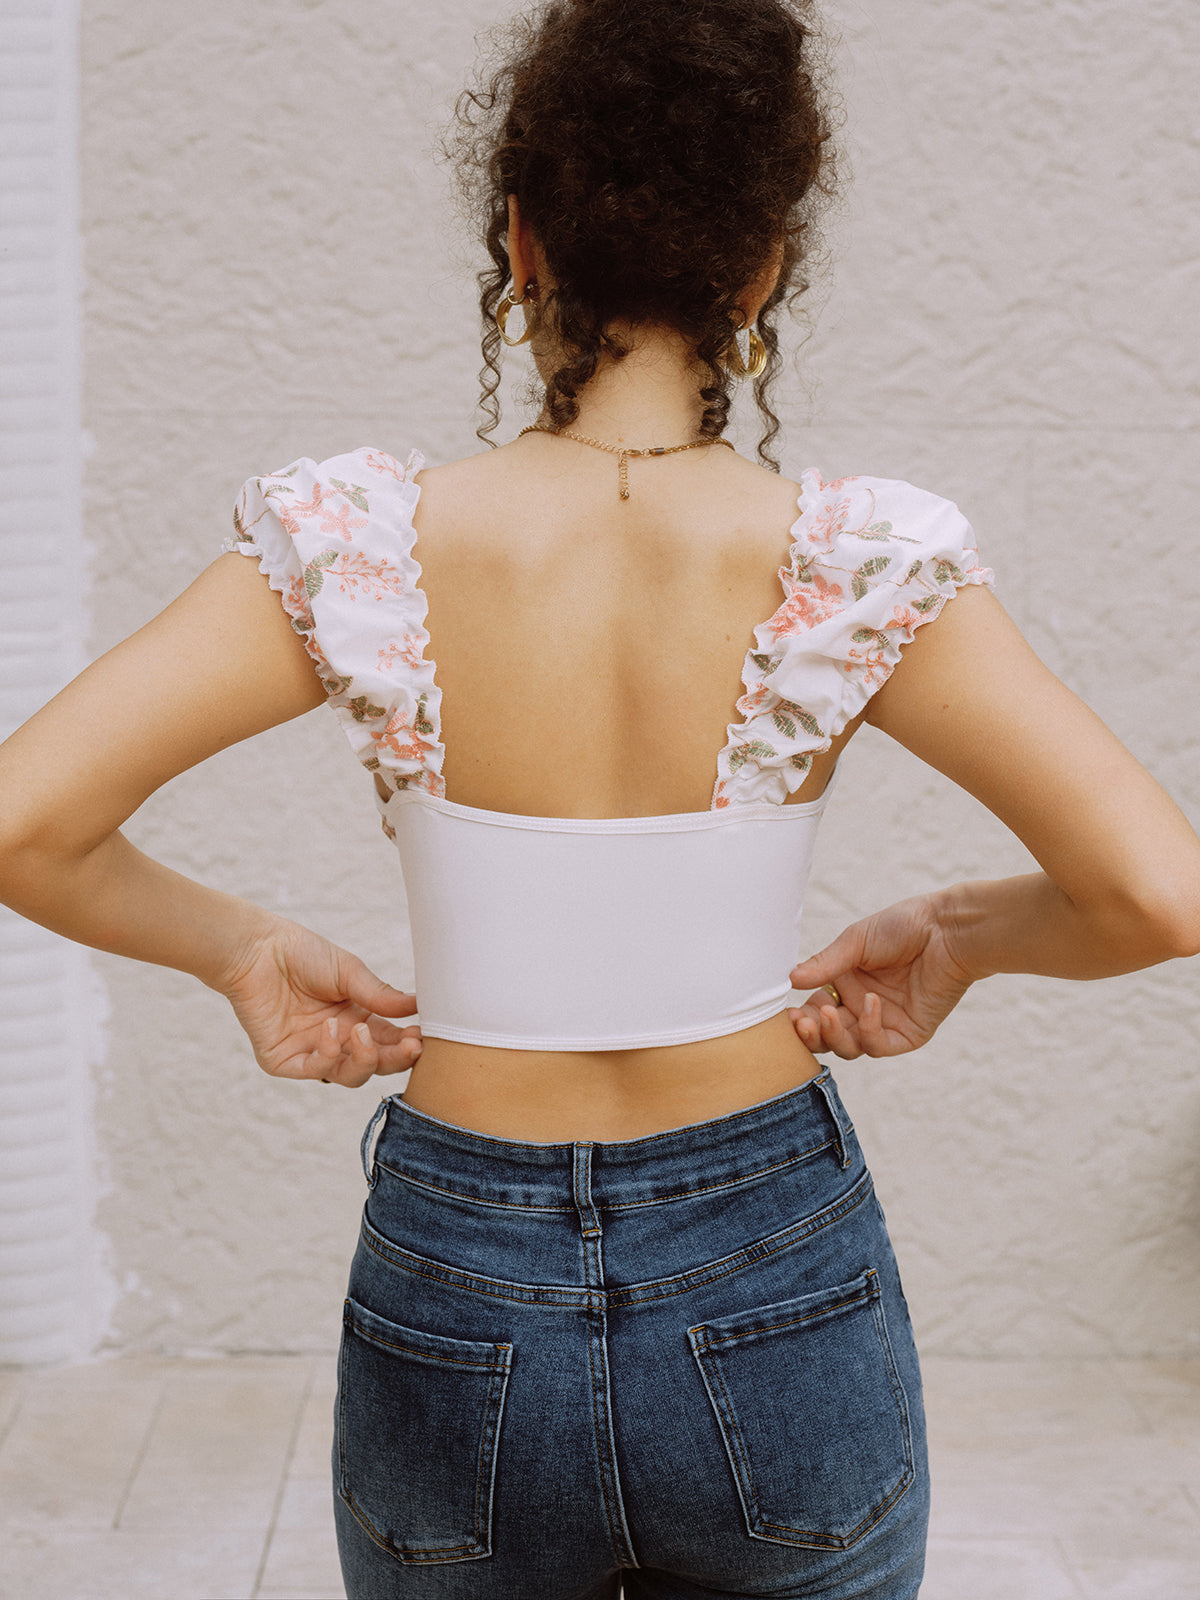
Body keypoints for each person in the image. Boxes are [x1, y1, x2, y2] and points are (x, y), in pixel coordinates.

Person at [2, 0, 1198, 1595]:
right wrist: (960, 935)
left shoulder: (357, 544)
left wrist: (237, 949)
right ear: (764, 265)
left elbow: (27, 821)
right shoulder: (855, 564)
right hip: (768, 1239)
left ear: (521, 236)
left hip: (458, 1267)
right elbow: (1153, 892)